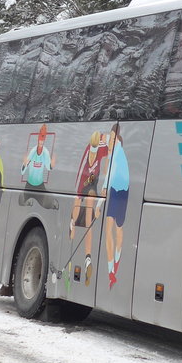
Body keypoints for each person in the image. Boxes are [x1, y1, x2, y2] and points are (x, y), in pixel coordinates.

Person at [69, 130, 109, 286]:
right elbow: (80, 171)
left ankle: (86, 256)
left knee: (84, 217)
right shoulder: (94, 150)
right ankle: (73, 225)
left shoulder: (98, 147)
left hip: (89, 185)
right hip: (85, 183)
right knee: (82, 211)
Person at [102, 122, 130, 289]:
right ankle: (112, 266)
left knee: (115, 229)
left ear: (117, 138)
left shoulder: (117, 150)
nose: (110, 142)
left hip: (118, 190)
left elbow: (111, 172)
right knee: (113, 228)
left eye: (112, 139)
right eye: (109, 139)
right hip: (121, 190)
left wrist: (104, 186)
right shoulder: (116, 149)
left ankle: (113, 265)